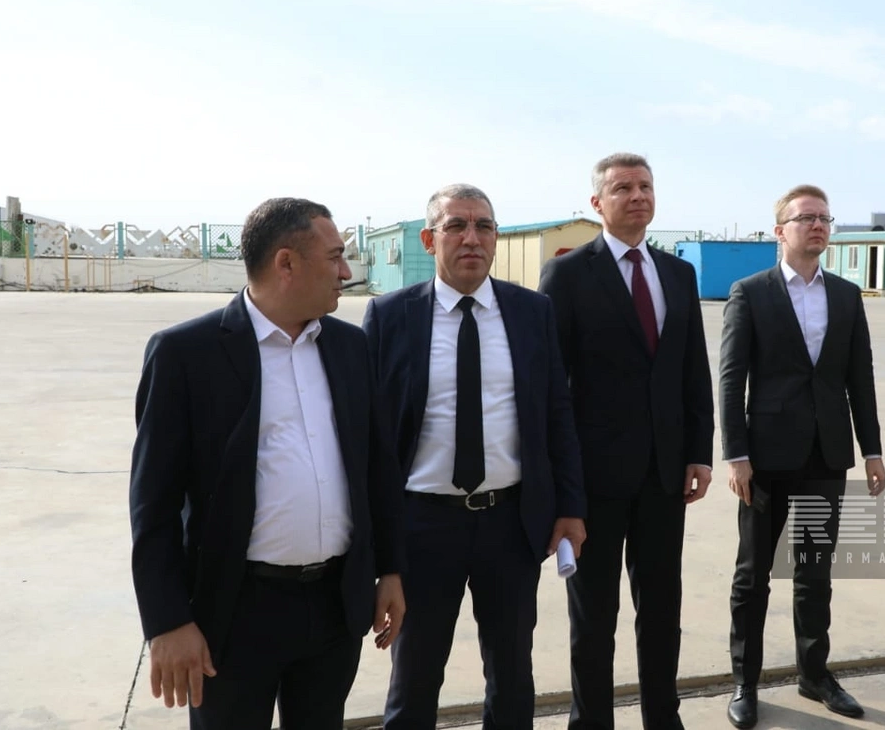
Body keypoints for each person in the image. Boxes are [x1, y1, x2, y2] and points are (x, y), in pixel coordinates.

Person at [129, 198, 406, 730]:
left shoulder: (350, 347)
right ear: (286, 263)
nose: (347, 273)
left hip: (334, 607)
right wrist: (167, 621)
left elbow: (378, 467)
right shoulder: (186, 354)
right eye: (335, 257)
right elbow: (153, 505)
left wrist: (390, 568)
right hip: (233, 614)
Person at [364, 184, 587, 730]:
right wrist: (377, 541)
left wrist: (569, 507)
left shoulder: (531, 312)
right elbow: (368, 434)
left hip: (510, 523)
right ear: (429, 240)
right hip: (422, 526)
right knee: (415, 676)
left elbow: (558, 414)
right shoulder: (390, 316)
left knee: (511, 675)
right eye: (456, 226)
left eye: (483, 226)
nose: (472, 238)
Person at [538, 152, 714, 730]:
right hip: (594, 479)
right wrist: (561, 480)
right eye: (622, 188)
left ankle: (664, 717)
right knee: (594, 617)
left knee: (662, 610)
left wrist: (699, 451)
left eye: (645, 186)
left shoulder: (678, 274)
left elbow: (692, 369)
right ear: (597, 203)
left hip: (665, 475)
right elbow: (552, 385)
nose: (637, 196)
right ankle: (591, 722)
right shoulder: (568, 275)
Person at [717, 185, 885, 728]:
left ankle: (814, 675)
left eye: (824, 218)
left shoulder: (846, 295)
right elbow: (731, 379)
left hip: (824, 458)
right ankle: (745, 681)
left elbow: (859, 377)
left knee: (815, 572)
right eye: (806, 218)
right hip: (765, 461)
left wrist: (872, 449)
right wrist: (736, 455)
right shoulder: (750, 292)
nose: (817, 226)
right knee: (753, 575)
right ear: (779, 230)